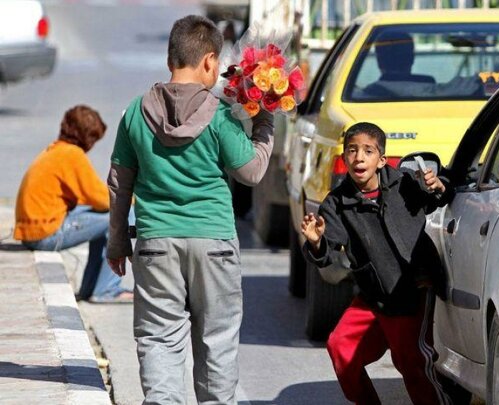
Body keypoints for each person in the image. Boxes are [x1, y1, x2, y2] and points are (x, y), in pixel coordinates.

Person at [106, 15, 273, 405]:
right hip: (213, 243)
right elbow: (252, 171)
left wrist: (117, 244)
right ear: (211, 62)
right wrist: (265, 121)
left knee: (159, 340)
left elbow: (119, 183)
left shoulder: (135, 112)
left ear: (170, 60)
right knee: (217, 342)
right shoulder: (218, 115)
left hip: (154, 244)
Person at [301, 122, 453, 405]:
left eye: (368, 151)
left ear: (381, 159)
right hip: (374, 294)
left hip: (412, 289)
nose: (359, 157)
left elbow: (439, 198)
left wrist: (438, 184)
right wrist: (316, 241)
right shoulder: (336, 203)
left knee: (410, 361)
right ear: (345, 157)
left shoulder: (404, 183)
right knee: (341, 347)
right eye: (352, 150)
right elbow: (328, 249)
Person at [14, 105, 133, 303]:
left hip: (32, 231)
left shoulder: (54, 149)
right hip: (46, 233)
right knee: (123, 213)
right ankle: (107, 289)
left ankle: (90, 289)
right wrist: (132, 197)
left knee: (106, 218)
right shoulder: (72, 155)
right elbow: (103, 199)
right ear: (88, 137)